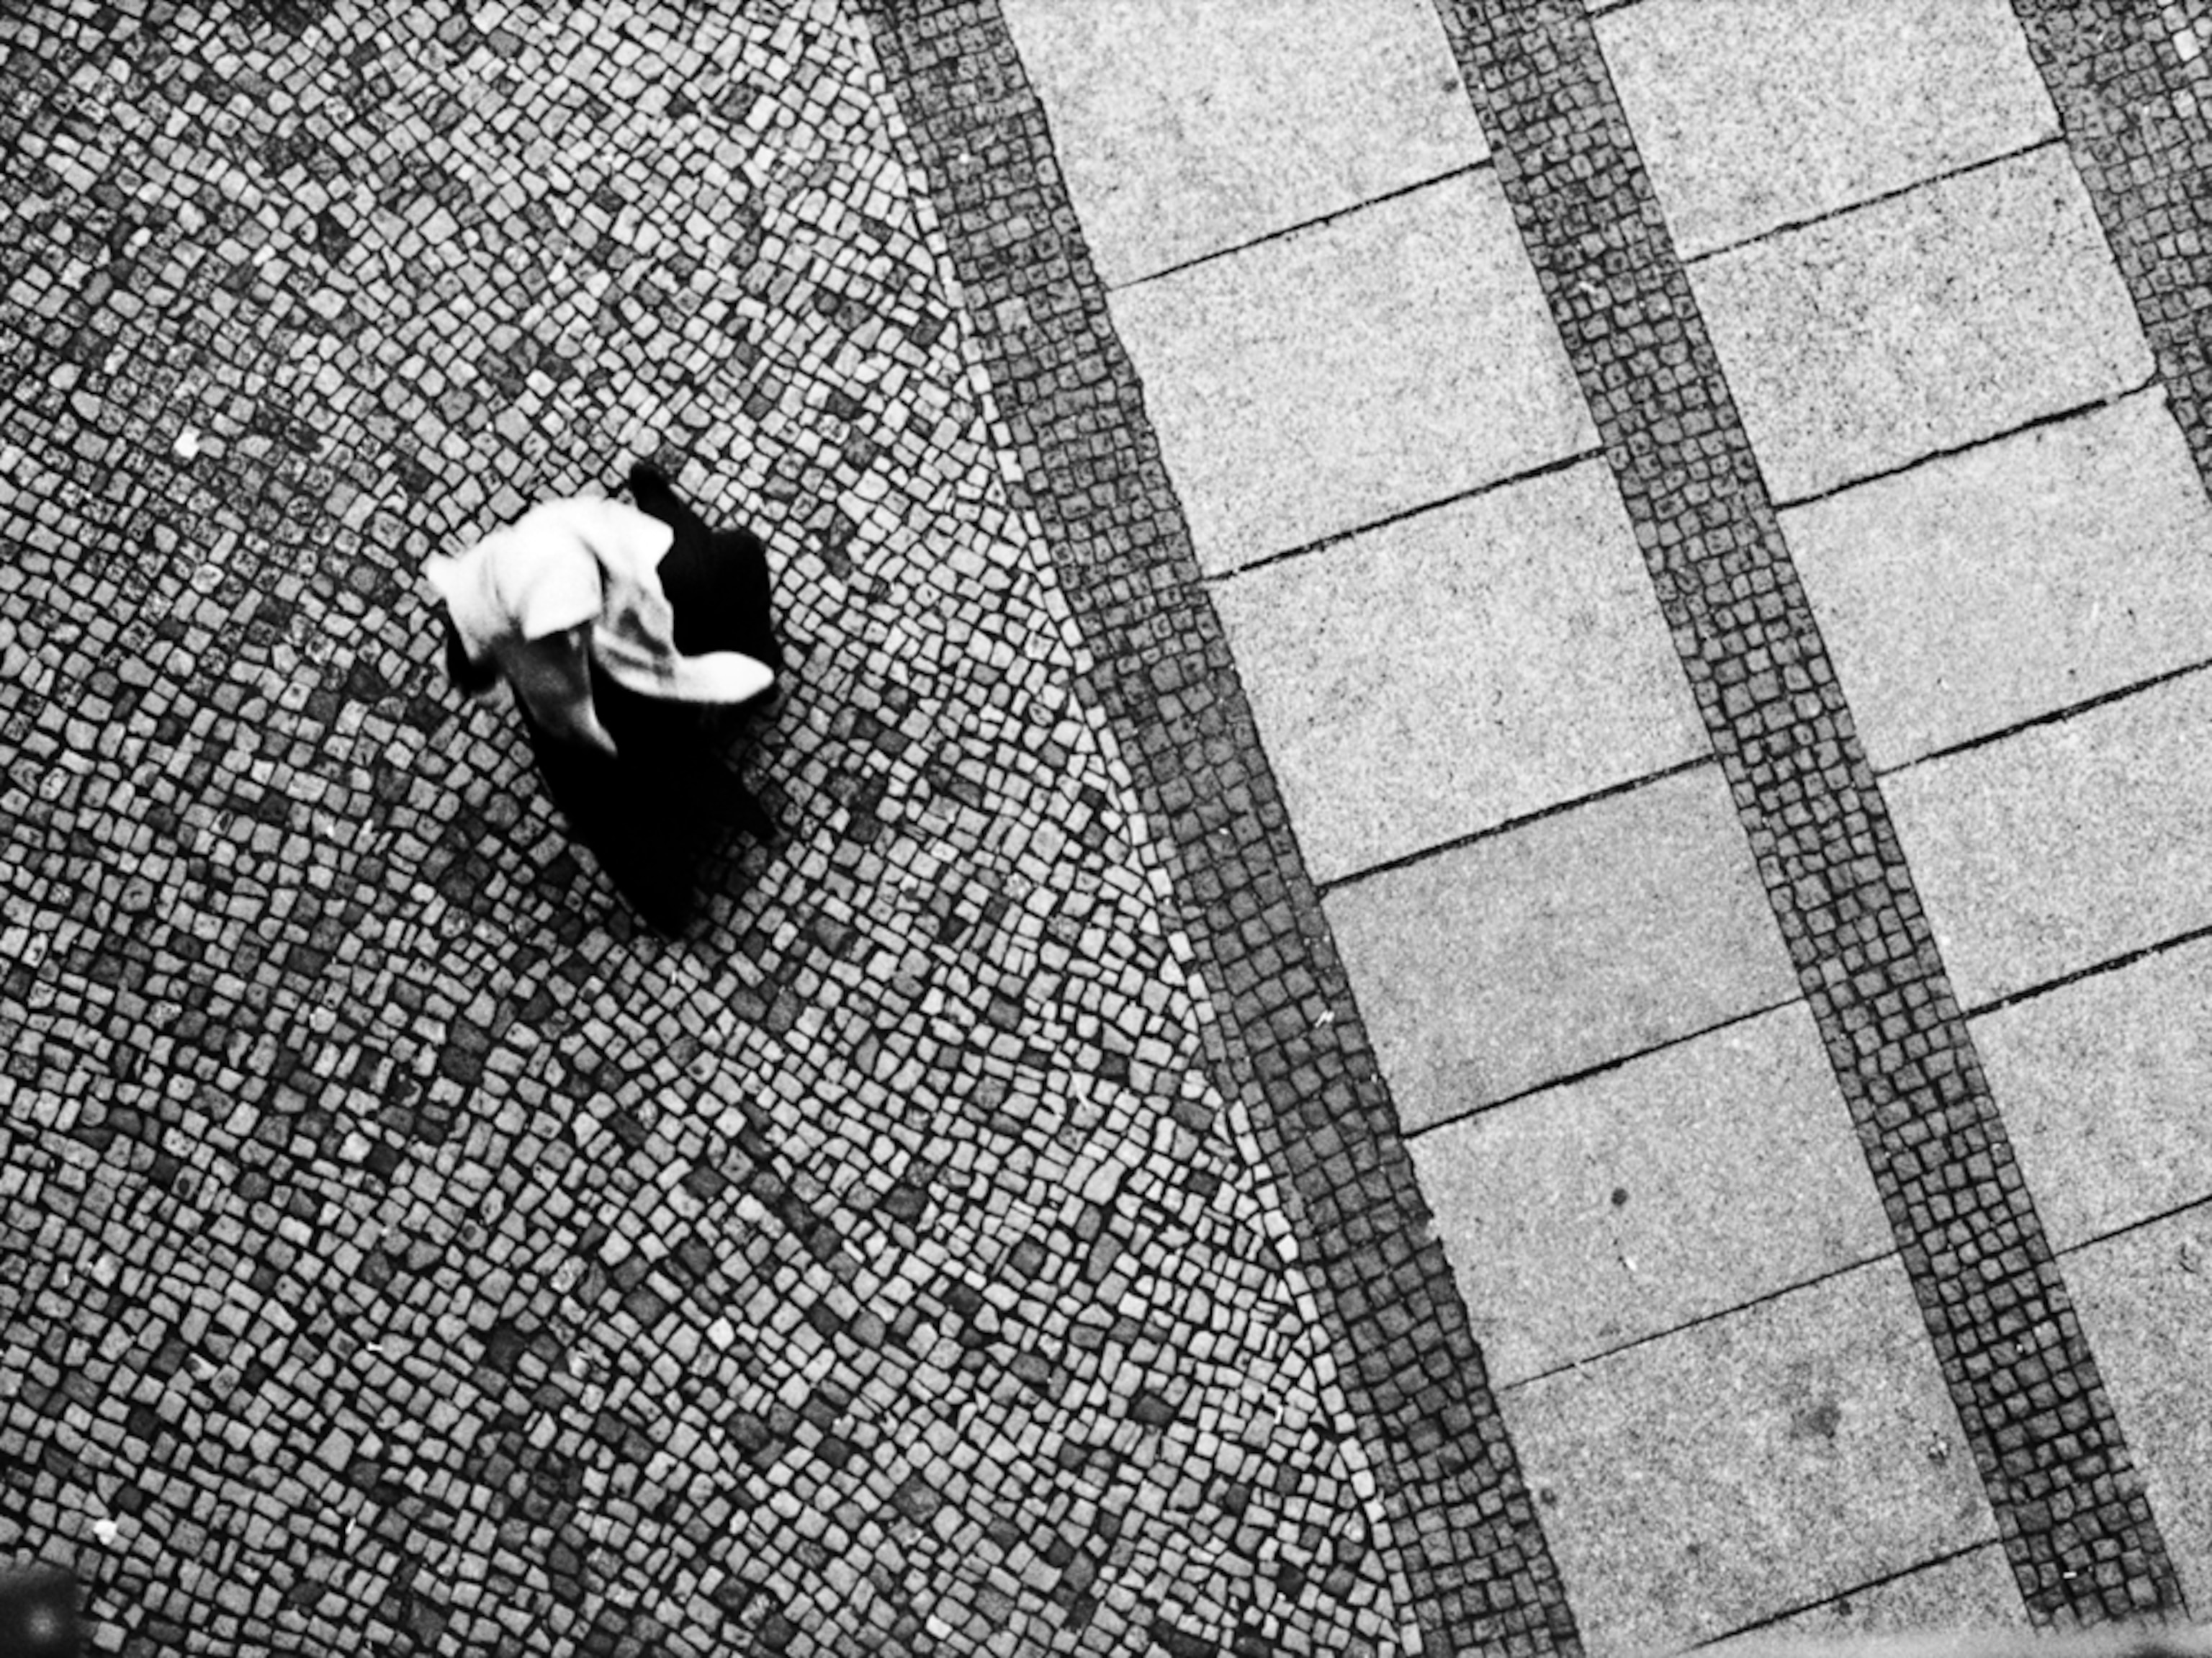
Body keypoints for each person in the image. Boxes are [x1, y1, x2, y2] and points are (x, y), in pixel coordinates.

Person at [425, 463, 784, 934]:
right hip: (637, 691)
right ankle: (752, 680)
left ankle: (668, 899)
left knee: (616, 809)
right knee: (713, 562)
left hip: (607, 717)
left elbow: (473, 639)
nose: (571, 642)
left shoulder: (500, 594)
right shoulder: (664, 570)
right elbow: (738, 562)